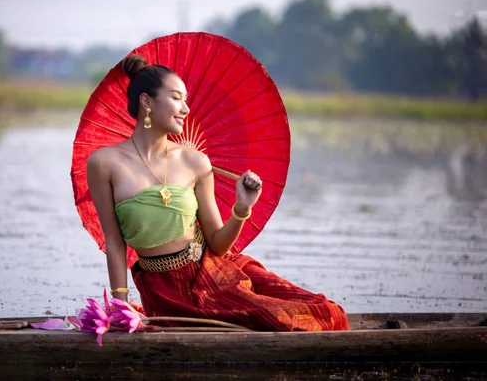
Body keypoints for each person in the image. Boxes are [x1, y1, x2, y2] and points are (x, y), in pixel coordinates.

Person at [87, 54, 350, 331]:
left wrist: (242, 209)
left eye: (186, 100)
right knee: (277, 320)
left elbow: (218, 244)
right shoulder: (104, 163)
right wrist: (121, 305)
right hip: (164, 293)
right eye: (177, 98)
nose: (186, 109)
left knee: (324, 314)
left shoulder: (195, 161)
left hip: (214, 276)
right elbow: (115, 243)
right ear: (146, 101)